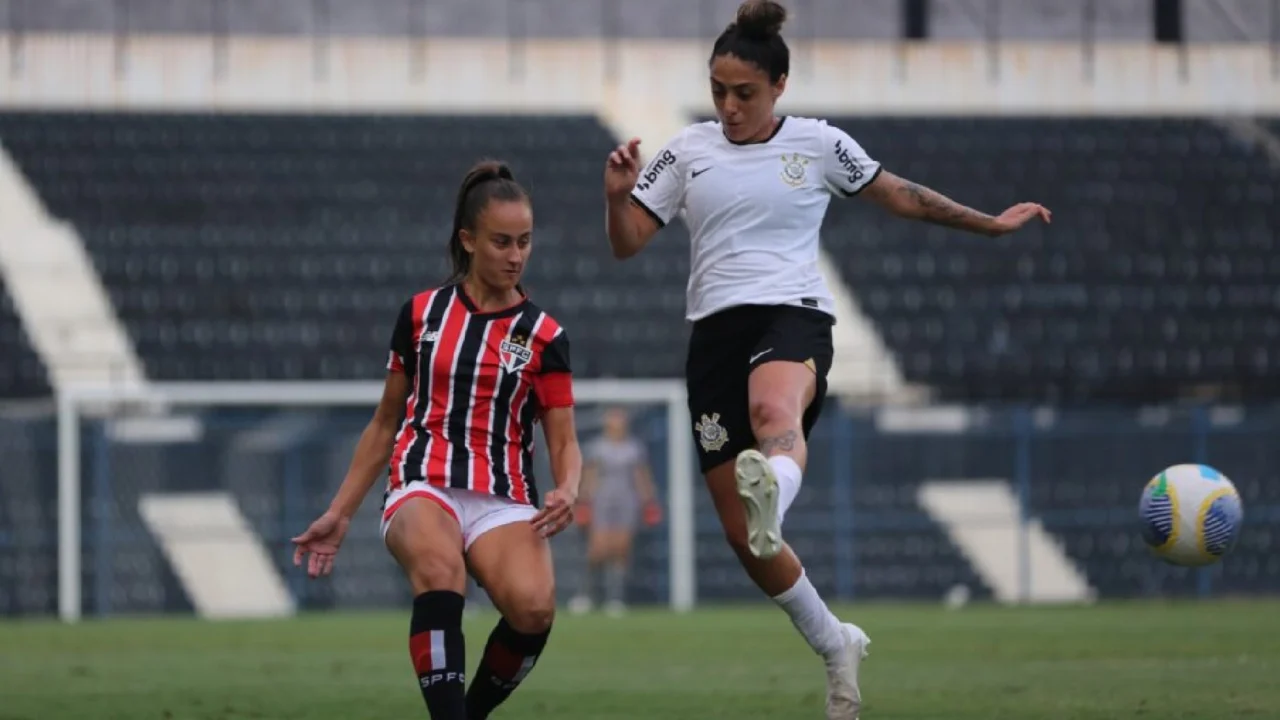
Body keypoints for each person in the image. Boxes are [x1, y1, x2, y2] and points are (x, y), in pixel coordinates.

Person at [601, 1, 1051, 717]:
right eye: (718, 90)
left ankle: (772, 491)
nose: (728, 106)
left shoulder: (817, 145)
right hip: (712, 338)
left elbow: (902, 195)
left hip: (792, 316)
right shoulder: (686, 150)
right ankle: (834, 639)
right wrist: (618, 197)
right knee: (745, 541)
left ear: (779, 85)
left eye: (743, 93)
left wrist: (990, 224)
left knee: (772, 410)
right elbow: (627, 242)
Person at [291, 160, 582, 720]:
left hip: (502, 496)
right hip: (423, 480)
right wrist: (341, 512)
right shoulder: (422, 314)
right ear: (468, 240)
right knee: (441, 571)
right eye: (501, 242)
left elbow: (563, 438)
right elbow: (384, 421)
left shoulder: (546, 336)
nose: (515, 255)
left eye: (524, 241)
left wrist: (568, 487)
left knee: (534, 609)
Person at [568, 406, 662, 616]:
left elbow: (641, 477)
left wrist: (649, 501)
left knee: (621, 549)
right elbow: (589, 476)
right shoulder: (597, 447)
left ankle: (615, 598)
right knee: (597, 549)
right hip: (602, 500)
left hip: (627, 501)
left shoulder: (634, 448)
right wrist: (582, 502)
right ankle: (585, 595)